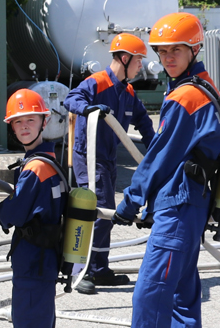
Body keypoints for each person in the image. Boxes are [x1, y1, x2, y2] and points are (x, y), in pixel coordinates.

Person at [107, 13, 220, 328]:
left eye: (177, 49)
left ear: (194, 49)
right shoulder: (204, 87)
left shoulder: (185, 97)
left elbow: (160, 156)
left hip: (178, 207)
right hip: (189, 203)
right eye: (162, 51)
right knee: (182, 293)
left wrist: (132, 200)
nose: (168, 57)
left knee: (150, 297)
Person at [60, 33, 157, 293]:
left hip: (108, 157)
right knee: (99, 211)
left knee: (104, 213)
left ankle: (99, 269)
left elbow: (144, 123)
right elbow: (71, 99)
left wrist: (157, 153)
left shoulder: (128, 92)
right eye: (138, 60)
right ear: (124, 58)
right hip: (88, 157)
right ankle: (83, 270)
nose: (141, 66)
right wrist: (89, 109)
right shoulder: (97, 83)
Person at [0, 89, 69, 328]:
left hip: (33, 259)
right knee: (42, 319)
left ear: (44, 121)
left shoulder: (35, 168)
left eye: (30, 120)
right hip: (47, 257)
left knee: (28, 321)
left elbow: (16, 212)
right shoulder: (50, 160)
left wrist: (0, 210)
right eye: (18, 122)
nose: (24, 126)